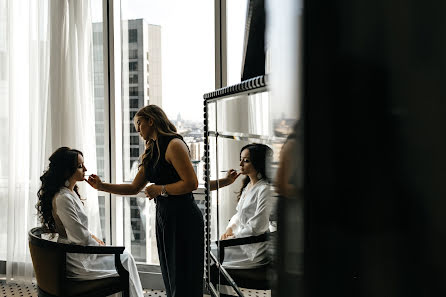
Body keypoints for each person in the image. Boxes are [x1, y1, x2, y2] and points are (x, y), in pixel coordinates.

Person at [87, 104, 204, 297]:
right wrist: (101, 186)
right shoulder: (152, 151)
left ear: (151, 120)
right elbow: (133, 188)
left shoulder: (174, 144)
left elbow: (191, 183)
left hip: (184, 217)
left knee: (184, 276)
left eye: (139, 124)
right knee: (171, 274)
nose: (137, 130)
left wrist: (161, 189)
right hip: (165, 217)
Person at [36, 147, 144, 297]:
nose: (85, 169)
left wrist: (94, 238)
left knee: (125, 256)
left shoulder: (70, 193)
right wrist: (102, 248)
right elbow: (79, 238)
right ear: (67, 171)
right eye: (80, 166)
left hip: (79, 251)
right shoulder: (63, 198)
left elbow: (78, 231)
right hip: (77, 260)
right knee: (125, 258)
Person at [218, 143, 273, 268]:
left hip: (253, 249)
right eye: (240, 159)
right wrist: (230, 228)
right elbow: (239, 214)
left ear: (258, 163)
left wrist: (235, 238)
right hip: (241, 241)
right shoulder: (249, 186)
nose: (240, 164)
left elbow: (258, 225)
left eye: (246, 161)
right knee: (207, 256)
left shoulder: (265, 189)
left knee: (209, 258)